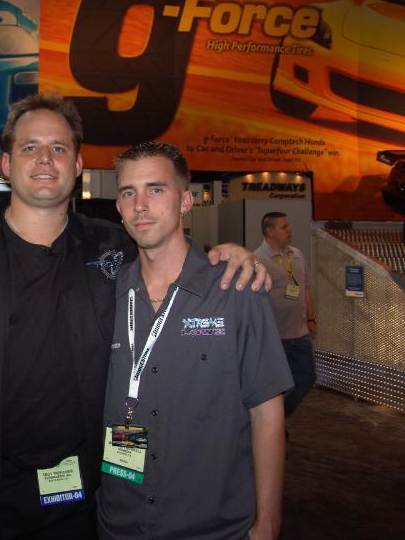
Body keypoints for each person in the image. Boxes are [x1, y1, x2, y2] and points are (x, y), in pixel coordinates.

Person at [0, 94, 267, 540]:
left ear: (79, 164)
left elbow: (170, 256)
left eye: (59, 148)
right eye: (30, 147)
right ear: (6, 164)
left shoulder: (112, 247)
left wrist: (225, 255)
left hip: (77, 498)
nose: (45, 159)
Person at [98, 142, 293, 540]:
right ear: (118, 206)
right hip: (120, 522)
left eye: (156, 189)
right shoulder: (105, 294)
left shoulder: (236, 289)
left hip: (213, 526)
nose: (140, 205)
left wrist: (269, 522)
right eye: (128, 192)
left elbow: (266, 412)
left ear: (186, 201)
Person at [254, 212, 317, 417]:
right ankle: (272, 424)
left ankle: (277, 419)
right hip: (275, 335)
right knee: (275, 385)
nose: (290, 230)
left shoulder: (296, 255)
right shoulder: (258, 260)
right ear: (270, 231)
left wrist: (311, 319)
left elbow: (306, 288)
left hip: (300, 332)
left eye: (288, 226)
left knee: (307, 377)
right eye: (284, 227)